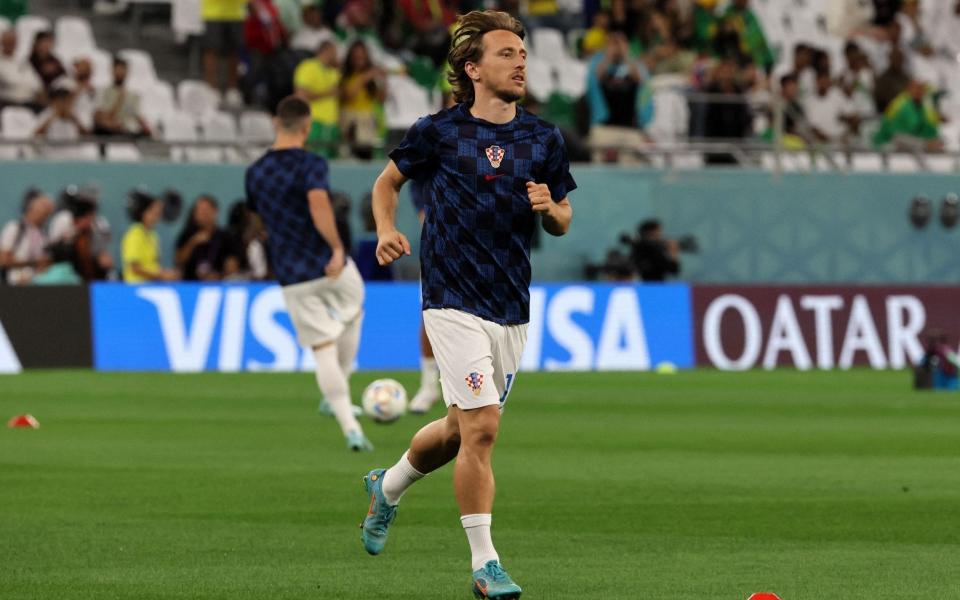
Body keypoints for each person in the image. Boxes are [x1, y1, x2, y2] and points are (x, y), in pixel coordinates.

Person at [362, 10, 575, 598]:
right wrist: (386, 228)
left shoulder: (543, 139)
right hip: (450, 298)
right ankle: (485, 564)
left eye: (523, 54)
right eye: (507, 54)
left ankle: (389, 486)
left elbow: (563, 219)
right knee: (483, 428)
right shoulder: (438, 130)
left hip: (510, 304)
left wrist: (548, 208)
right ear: (473, 68)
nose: (521, 62)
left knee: (459, 432)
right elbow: (386, 183)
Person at [245, 95, 371, 451]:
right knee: (355, 305)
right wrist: (335, 247)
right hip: (325, 261)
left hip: (290, 272)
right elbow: (318, 205)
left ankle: (349, 426)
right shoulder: (311, 163)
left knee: (322, 347)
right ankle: (338, 395)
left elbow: (258, 220)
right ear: (306, 126)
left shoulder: (255, 172)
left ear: (275, 122)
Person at [339, 40, 386, 159]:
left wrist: (382, 81)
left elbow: (381, 99)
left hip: (368, 122)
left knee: (366, 155)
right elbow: (348, 96)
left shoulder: (371, 78)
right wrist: (367, 76)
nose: (359, 59)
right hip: (349, 121)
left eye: (362, 56)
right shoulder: (344, 74)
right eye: (356, 56)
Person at [294, 40, 341, 157]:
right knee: (313, 160)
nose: (336, 55)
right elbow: (300, 94)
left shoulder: (334, 71)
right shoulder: (308, 66)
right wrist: (328, 93)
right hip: (314, 122)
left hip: (332, 124)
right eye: (334, 52)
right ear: (326, 51)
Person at [174, 195, 236, 281]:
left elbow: (232, 265)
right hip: (191, 284)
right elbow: (178, 260)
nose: (201, 214)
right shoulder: (187, 234)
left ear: (215, 211)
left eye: (205, 210)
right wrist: (192, 243)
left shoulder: (226, 236)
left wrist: (220, 275)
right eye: (198, 211)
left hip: (218, 284)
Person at [121, 191, 178, 283]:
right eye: (152, 213)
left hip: (151, 287)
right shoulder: (134, 234)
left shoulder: (153, 236)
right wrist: (161, 275)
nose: (155, 218)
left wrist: (165, 273)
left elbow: (153, 266)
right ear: (143, 212)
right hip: (134, 289)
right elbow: (135, 268)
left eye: (158, 214)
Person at [0, 189, 54, 285]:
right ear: (32, 209)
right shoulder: (14, 228)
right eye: (44, 212)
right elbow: (4, 260)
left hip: (38, 283)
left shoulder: (44, 234)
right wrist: (34, 263)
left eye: (47, 214)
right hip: (15, 283)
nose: (45, 217)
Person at [201, 0, 247, 106]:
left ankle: (233, 89)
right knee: (211, 50)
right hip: (213, 11)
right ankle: (210, 89)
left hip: (236, 12)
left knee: (234, 52)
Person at [93, 57, 152, 137]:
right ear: (112, 70)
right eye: (118, 69)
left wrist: (147, 128)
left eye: (123, 69)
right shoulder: (104, 92)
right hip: (110, 131)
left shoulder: (133, 94)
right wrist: (120, 99)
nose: (120, 72)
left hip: (128, 131)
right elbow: (103, 117)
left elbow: (137, 115)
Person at [0, 29, 42, 109]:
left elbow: (36, 81)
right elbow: (11, 82)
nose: (11, 45)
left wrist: (39, 92)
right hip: (10, 104)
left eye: (13, 43)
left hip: (31, 101)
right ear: (2, 43)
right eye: (8, 42)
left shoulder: (22, 60)